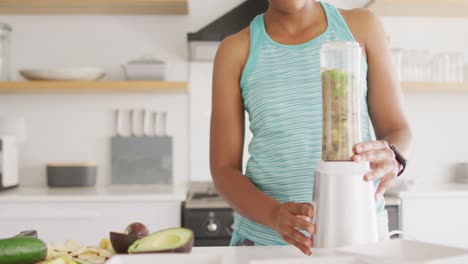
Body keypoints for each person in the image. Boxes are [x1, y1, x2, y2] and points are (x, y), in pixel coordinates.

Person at [210, 0, 412, 256]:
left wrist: (393, 155)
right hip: (264, 245)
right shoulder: (236, 50)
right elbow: (223, 170)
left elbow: (399, 129)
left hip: (358, 239)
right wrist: (274, 215)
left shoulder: (362, 26)